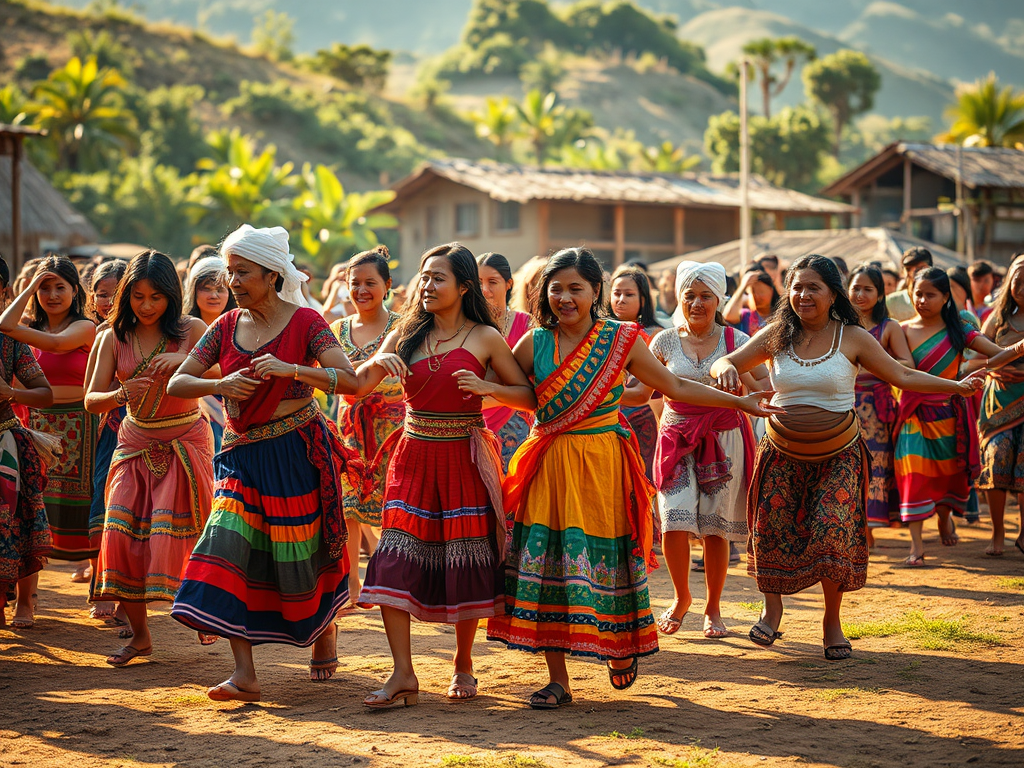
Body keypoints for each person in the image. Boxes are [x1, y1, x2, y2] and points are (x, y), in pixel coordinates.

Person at [486, 247, 779, 708]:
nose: (564, 297)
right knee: (548, 564)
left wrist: (742, 403)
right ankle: (558, 678)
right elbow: (520, 394)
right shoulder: (534, 342)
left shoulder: (621, 339)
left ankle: (619, 646)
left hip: (602, 464)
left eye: (575, 288)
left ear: (595, 291)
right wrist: (479, 391)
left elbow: (675, 387)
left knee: (608, 557)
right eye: (556, 288)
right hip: (549, 463)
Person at [711, 255, 993, 660]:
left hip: (838, 455)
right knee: (770, 529)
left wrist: (956, 386)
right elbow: (729, 359)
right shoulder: (776, 335)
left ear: (833, 294)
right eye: (797, 287)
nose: (803, 295)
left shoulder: (854, 337)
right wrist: (726, 370)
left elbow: (904, 375)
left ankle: (831, 621)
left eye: (813, 288)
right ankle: (772, 611)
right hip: (781, 452)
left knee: (832, 531)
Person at [168, 224, 358, 702]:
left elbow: (349, 379)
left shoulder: (306, 323)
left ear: (273, 275)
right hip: (240, 457)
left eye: (242, 272)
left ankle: (324, 629)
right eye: (230, 272)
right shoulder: (225, 327)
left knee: (302, 555)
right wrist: (220, 385)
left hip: (294, 453)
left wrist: (292, 369)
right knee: (229, 548)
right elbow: (178, 383)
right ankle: (245, 674)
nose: (232, 282)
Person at [353, 242, 534, 708]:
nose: (427, 286)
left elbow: (527, 395)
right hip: (412, 456)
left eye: (438, 278)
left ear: (463, 286)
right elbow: (356, 387)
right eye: (424, 277)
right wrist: (377, 362)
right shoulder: (405, 332)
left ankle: (463, 662)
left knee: (465, 558)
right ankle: (402, 674)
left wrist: (488, 387)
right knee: (393, 557)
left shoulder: (486, 337)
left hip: (465, 459)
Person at [85, 251, 215, 666]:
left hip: (187, 440)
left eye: (156, 297)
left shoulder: (192, 329)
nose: (146, 306)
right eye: (138, 296)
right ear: (126, 296)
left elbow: (224, 372)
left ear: (171, 298)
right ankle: (140, 636)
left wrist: (183, 361)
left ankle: (209, 614)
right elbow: (90, 400)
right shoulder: (111, 336)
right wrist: (122, 395)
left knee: (194, 534)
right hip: (134, 442)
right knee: (120, 535)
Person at [647, 261, 766, 639]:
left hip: (724, 437)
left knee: (716, 528)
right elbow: (639, 388)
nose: (696, 303)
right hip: (676, 438)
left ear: (720, 299)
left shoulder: (734, 341)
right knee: (673, 517)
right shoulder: (663, 341)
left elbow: (761, 381)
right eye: (689, 296)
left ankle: (713, 608)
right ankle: (682, 597)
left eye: (705, 297)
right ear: (679, 298)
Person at [895, 267, 1023, 565]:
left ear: (945, 298)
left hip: (949, 416)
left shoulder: (960, 330)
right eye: (918, 293)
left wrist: (1017, 348)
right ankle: (916, 545)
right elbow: (901, 372)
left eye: (930, 295)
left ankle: (943, 520)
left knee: (946, 475)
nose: (922, 300)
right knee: (913, 474)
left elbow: (994, 354)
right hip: (914, 414)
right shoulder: (901, 330)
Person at [0, 256, 97, 581]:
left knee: (89, 503)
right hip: (37, 422)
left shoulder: (84, 327)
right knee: (34, 504)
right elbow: (5, 322)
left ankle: (100, 583)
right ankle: (29, 598)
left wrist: (26, 292)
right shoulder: (29, 326)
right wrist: (29, 286)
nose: (52, 295)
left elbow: (55, 345)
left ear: (75, 290)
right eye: (45, 288)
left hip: (82, 424)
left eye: (60, 287)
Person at [329, 246, 403, 605]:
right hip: (349, 430)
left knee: (391, 505)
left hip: (393, 431)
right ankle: (352, 585)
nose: (361, 290)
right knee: (348, 506)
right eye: (354, 283)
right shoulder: (334, 329)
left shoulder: (403, 327)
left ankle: (387, 579)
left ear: (387, 285)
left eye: (370, 283)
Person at [0, 255, 54, 630]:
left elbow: (44, 393)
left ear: (3, 293)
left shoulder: (9, 344)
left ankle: (24, 604)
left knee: (18, 523)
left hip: (4, 443)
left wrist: (7, 391)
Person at [847, 265, 914, 541]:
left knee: (876, 464)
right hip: (843, 404)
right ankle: (857, 526)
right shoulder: (840, 326)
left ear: (880, 294)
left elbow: (907, 363)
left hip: (877, 408)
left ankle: (868, 527)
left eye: (868, 289)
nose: (860, 294)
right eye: (856, 288)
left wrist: (872, 365)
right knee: (848, 464)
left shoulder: (889, 327)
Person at [83, 258, 127, 622]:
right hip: (109, 428)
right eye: (102, 294)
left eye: (118, 293)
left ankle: (130, 595)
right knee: (105, 500)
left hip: (155, 427)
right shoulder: (103, 336)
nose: (109, 302)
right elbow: (90, 396)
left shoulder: (162, 331)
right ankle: (102, 583)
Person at [979, 254, 1024, 557]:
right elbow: (980, 358)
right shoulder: (996, 319)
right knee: (998, 457)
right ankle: (998, 532)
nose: (1022, 287)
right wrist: (1017, 349)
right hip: (998, 402)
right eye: (1018, 281)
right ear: (1008, 282)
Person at [478, 252, 533, 471]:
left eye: (492, 282)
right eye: (478, 282)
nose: (485, 290)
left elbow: (533, 382)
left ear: (508, 284)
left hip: (516, 423)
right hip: (474, 423)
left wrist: (497, 397)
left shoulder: (527, 325)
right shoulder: (465, 328)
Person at [610, 264, 662, 481]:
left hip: (644, 418)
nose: (621, 299)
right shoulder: (599, 332)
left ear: (643, 300)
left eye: (629, 294)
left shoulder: (656, 334)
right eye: (616, 293)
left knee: (641, 480)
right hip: (606, 417)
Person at [183, 255, 235, 452]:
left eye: (220, 289)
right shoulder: (181, 329)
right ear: (194, 291)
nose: (214, 295)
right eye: (206, 288)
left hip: (233, 409)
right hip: (191, 414)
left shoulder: (241, 325)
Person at [723, 267, 780, 337]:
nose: (756, 296)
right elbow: (728, 316)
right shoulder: (746, 316)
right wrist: (742, 287)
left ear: (771, 291)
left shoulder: (781, 315)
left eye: (761, 292)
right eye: (752, 292)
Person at [886, 247, 932, 323]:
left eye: (921, 268)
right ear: (902, 272)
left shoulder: (940, 299)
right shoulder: (890, 302)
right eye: (908, 269)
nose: (914, 273)